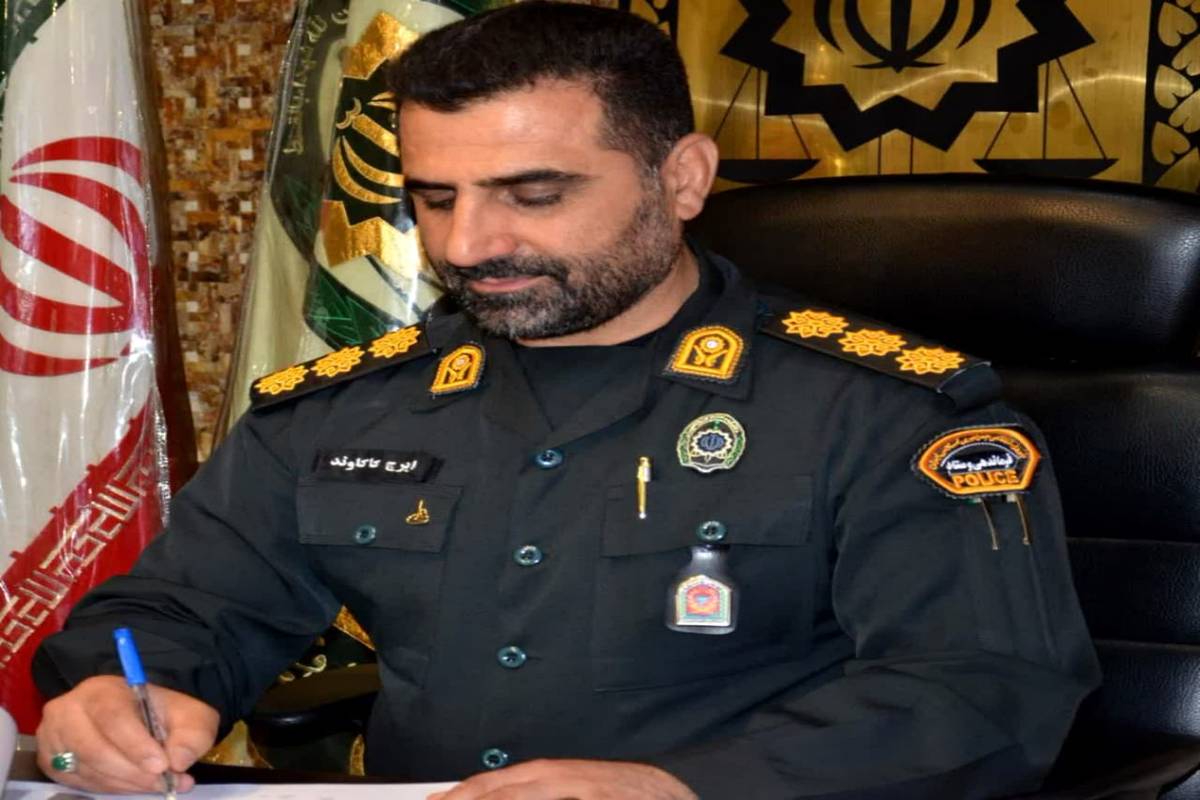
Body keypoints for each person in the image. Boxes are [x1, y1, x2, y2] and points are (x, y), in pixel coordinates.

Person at [31, 3, 1100, 797]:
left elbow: (982, 691)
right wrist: (129, 692)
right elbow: (181, 609)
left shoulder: (888, 414)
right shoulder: (348, 408)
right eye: (433, 198)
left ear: (683, 178)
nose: (467, 245)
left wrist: (681, 787)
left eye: (534, 195)